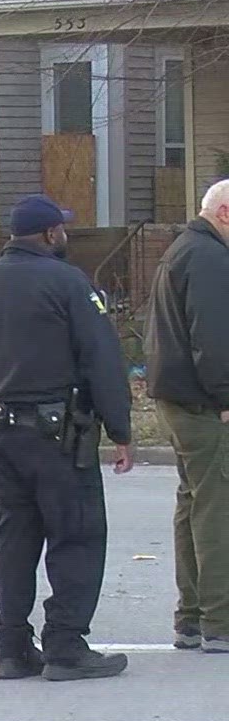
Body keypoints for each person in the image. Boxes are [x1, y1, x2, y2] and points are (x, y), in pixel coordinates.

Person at [0, 195, 134, 682]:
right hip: (59, 435)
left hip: (2, 433)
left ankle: (11, 647)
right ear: (51, 234)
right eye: (63, 229)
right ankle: (66, 645)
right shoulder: (69, 283)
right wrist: (120, 429)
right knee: (76, 536)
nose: (65, 236)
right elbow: (102, 360)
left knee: (14, 537)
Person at [145, 179, 229, 651]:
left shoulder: (181, 250)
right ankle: (220, 621)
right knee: (217, 509)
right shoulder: (211, 259)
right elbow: (214, 340)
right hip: (204, 403)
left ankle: (192, 617)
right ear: (225, 214)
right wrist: (226, 397)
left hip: (176, 399)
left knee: (193, 503)